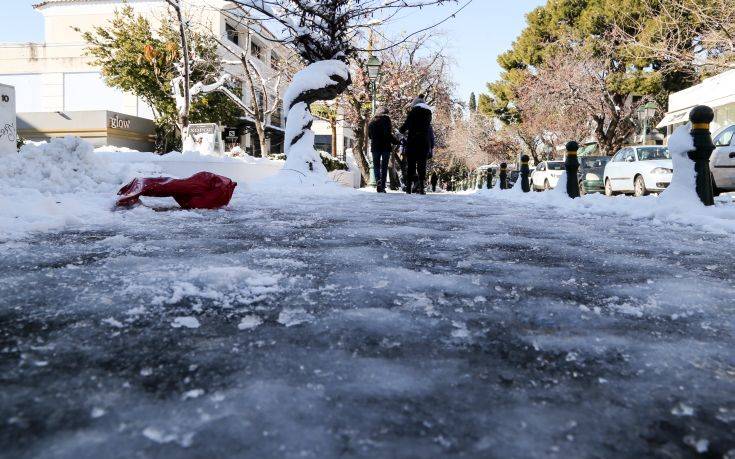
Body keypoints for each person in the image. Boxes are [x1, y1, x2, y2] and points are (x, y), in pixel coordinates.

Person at [399, 95, 433, 195]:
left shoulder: (413, 112)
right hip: (424, 141)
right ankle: (422, 188)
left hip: (413, 140)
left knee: (411, 165)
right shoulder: (428, 113)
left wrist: (401, 130)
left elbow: (407, 124)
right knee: (422, 165)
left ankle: (409, 188)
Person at [367, 107, 399, 193]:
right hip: (385, 147)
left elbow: (370, 136)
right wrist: (396, 141)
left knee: (376, 166)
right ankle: (383, 185)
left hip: (375, 147)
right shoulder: (387, 120)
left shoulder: (372, 122)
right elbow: (388, 135)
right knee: (384, 167)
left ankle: (378, 181)